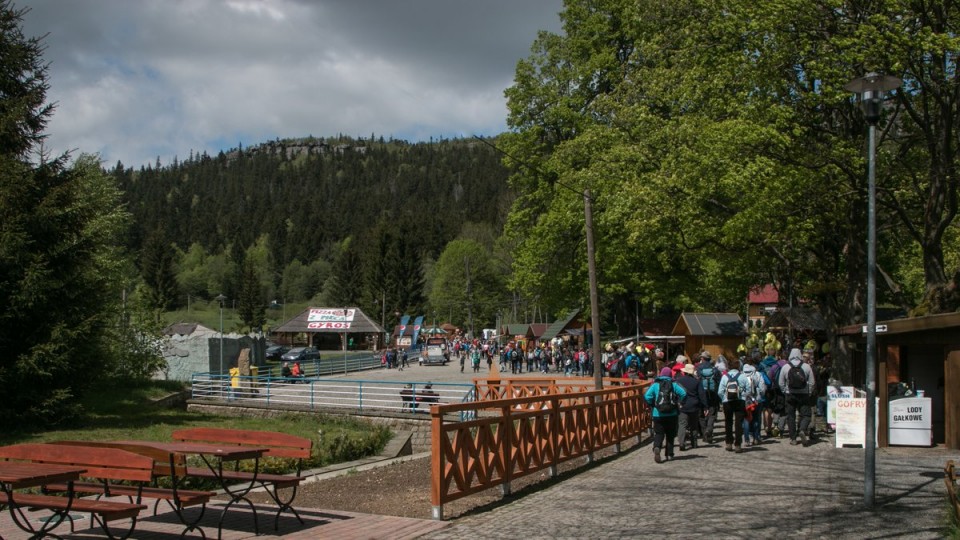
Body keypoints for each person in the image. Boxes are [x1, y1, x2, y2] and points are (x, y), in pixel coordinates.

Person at [644, 367, 687, 463]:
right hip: (672, 413)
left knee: (659, 433)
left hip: (658, 414)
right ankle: (669, 454)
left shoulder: (655, 385)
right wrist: (678, 402)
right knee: (670, 435)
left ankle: (657, 447)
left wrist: (652, 404)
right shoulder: (674, 384)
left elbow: (646, 396)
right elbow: (684, 393)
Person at [778, 347, 817, 446]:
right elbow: (812, 382)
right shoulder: (807, 366)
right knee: (806, 415)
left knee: (790, 416)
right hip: (803, 394)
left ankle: (793, 438)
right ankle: (803, 429)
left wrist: (785, 391)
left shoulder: (786, 367)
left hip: (790, 394)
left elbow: (781, 382)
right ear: (800, 355)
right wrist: (809, 392)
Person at [717, 359, 749, 453]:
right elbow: (748, 390)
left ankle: (729, 443)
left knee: (728, 422)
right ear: (739, 367)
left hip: (727, 402)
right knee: (739, 423)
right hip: (739, 401)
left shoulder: (724, 376)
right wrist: (743, 396)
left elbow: (720, 391)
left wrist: (724, 398)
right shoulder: (742, 376)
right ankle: (738, 444)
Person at [675, 360, 706, 451]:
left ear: (684, 372)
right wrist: (705, 406)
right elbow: (702, 394)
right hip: (694, 405)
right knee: (694, 425)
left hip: (682, 405)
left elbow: (676, 393)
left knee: (682, 424)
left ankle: (682, 443)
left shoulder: (679, 380)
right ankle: (694, 442)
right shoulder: (696, 382)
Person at [696, 351, 721, 444]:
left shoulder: (698, 368)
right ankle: (709, 430)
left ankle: (704, 433)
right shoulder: (714, 369)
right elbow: (719, 382)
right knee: (712, 413)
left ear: (702, 358)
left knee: (701, 414)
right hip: (713, 394)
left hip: (701, 394)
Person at [740, 361, 766, 446]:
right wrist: (760, 396)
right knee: (756, 418)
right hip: (756, 400)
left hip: (744, 400)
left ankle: (747, 439)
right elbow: (762, 388)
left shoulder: (741, 374)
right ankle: (756, 437)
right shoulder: (757, 374)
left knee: (746, 419)